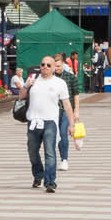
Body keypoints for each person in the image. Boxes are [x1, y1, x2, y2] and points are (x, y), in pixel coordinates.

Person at [24, 56, 75, 192]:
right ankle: (38, 175)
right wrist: (26, 85)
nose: (45, 67)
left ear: (54, 68)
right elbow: (21, 96)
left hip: (50, 122)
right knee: (32, 152)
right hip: (33, 121)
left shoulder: (60, 83)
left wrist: (71, 124)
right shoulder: (33, 79)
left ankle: (50, 182)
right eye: (43, 64)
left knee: (50, 152)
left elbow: (67, 105)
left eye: (48, 65)